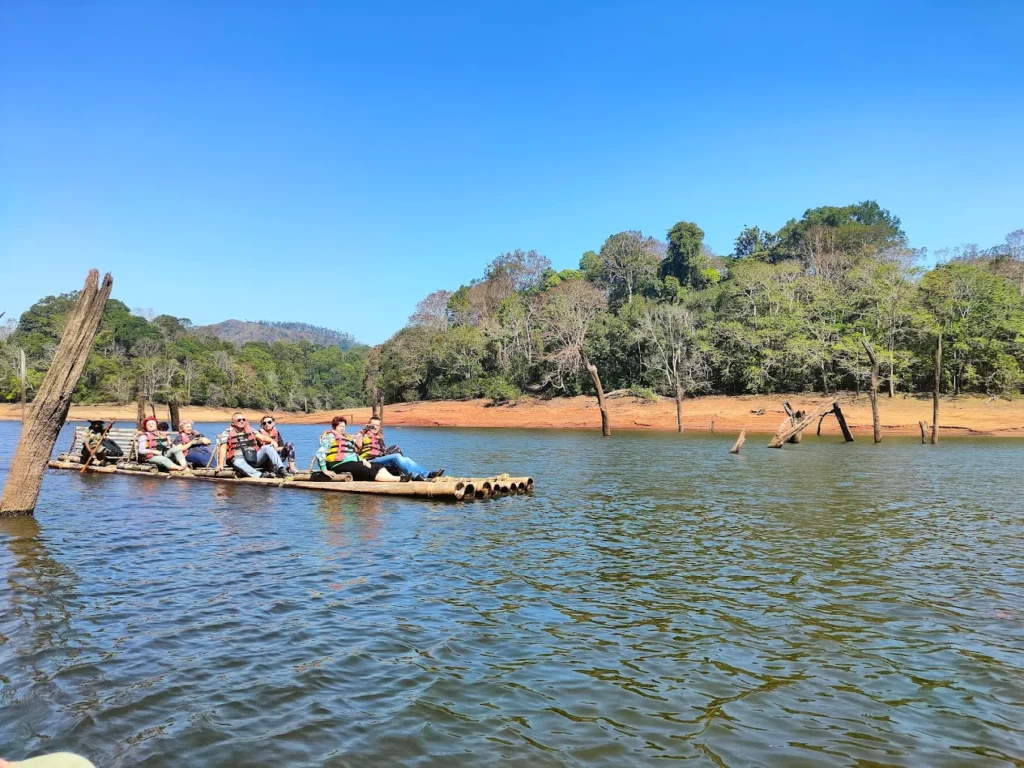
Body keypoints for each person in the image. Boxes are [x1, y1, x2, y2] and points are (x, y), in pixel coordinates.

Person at [311, 415, 401, 482]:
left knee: (377, 466)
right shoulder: (330, 436)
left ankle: (391, 479)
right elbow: (320, 453)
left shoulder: (346, 437)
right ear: (335, 427)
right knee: (366, 470)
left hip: (352, 461)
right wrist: (324, 470)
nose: (342, 429)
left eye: (344, 426)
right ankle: (397, 479)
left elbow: (353, 452)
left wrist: (363, 460)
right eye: (340, 426)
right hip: (339, 464)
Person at [353, 415, 443, 481]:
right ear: (368, 425)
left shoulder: (379, 437)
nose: (375, 427)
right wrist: (362, 433)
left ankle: (427, 473)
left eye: (377, 425)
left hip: (380, 461)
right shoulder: (361, 434)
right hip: (369, 461)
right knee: (396, 457)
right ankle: (415, 476)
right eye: (373, 425)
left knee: (405, 458)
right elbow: (356, 450)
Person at [217, 412, 287, 478]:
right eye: (239, 420)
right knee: (237, 462)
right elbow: (222, 448)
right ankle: (260, 475)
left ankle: (281, 469)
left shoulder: (251, 430)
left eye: (243, 419)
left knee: (268, 447)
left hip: (253, 457)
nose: (242, 421)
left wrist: (272, 441)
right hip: (239, 458)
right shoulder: (227, 432)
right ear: (233, 422)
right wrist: (220, 464)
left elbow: (262, 437)